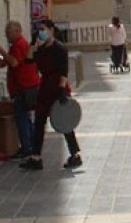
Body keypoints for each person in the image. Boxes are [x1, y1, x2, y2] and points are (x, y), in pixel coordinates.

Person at [21, 19, 82, 170]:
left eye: (43, 29)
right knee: (39, 121)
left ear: (51, 30)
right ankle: (36, 157)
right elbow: (28, 59)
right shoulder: (41, 50)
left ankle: (75, 155)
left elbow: (64, 71)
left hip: (58, 87)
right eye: (39, 29)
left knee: (64, 120)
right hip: (45, 87)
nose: (41, 32)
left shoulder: (60, 48)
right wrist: (32, 42)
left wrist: (62, 89)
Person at [0, 21, 41, 158]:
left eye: (9, 32)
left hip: (24, 87)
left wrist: (1, 50)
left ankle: (27, 147)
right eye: (6, 32)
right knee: (25, 118)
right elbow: (5, 62)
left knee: (22, 118)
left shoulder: (20, 45)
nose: (6, 35)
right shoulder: (15, 46)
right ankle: (30, 145)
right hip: (23, 87)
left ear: (18, 31)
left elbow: (14, 62)